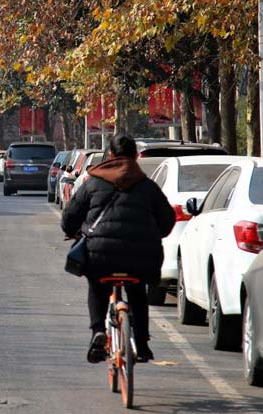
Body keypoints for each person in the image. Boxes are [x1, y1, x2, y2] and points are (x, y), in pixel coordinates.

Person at [61, 134, 175, 363]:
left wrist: (74, 232)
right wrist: (152, 235)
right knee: (137, 292)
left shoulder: (92, 183)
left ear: (110, 155)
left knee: (97, 287)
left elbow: (69, 217)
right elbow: (167, 221)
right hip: (141, 257)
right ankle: (142, 344)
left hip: (100, 254)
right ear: (136, 156)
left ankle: (98, 332)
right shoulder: (148, 186)